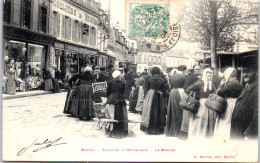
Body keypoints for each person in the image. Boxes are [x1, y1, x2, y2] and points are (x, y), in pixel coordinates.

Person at [186, 68, 219, 139]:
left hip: (209, 104)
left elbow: (215, 92)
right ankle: (199, 136)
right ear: (204, 75)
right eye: (208, 76)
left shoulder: (211, 84)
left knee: (208, 120)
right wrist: (197, 97)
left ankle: (207, 135)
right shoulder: (200, 82)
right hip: (201, 104)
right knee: (200, 120)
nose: (209, 77)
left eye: (211, 76)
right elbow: (188, 90)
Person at [213, 68, 243, 140]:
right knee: (230, 120)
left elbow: (219, 92)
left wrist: (221, 85)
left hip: (229, 103)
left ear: (229, 75)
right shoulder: (237, 82)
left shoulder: (231, 84)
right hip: (236, 102)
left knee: (225, 120)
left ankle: (223, 137)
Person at [230, 64, 258, 140]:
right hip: (239, 131)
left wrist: (249, 134)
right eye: (243, 72)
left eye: (248, 71)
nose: (244, 74)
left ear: (257, 71)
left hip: (246, 135)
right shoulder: (248, 85)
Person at [140, 67, 167, 135]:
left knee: (150, 112)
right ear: (159, 72)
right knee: (159, 112)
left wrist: (146, 97)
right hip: (159, 97)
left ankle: (150, 129)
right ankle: (158, 129)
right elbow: (163, 90)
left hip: (151, 96)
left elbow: (146, 89)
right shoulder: (162, 79)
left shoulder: (149, 79)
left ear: (152, 72)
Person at [105, 70, 128, 138]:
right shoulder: (123, 83)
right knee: (121, 115)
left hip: (112, 100)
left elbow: (108, 92)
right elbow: (123, 92)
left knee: (111, 115)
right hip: (120, 100)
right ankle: (121, 131)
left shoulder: (110, 82)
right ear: (119, 76)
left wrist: (108, 99)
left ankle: (111, 131)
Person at [165, 72, 188, 139]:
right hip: (182, 92)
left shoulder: (172, 77)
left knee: (173, 110)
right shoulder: (183, 76)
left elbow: (170, 86)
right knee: (181, 109)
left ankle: (173, 130)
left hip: (174, 92)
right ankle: (181, 129)